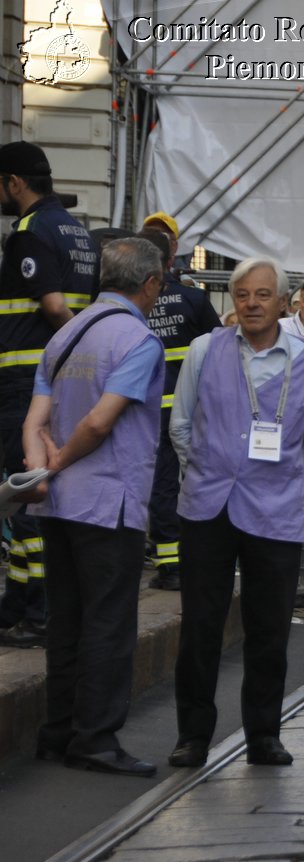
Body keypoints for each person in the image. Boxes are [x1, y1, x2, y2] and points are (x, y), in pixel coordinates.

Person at [166, 257, 304, 768]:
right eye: (242, 295)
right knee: (200, 625)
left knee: (269, 628)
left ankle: (263, 734)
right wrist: (210, 471)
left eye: (263, 295)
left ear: (283, 304)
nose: (252, 304)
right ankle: (193, 734)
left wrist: (281, 486)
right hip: (208, 507)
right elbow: (181, 426)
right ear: (232, 301)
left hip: (275, 513)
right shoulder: (203, 350)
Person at [24, 239, 166, 776]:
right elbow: (99, 423)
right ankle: (97, 741)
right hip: (110, 500)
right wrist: (63, 461)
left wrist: (44, 467)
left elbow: (34, 421)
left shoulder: (64, 334)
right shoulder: (138, 340)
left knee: (67, 621)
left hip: (57, 505)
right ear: (150, 283)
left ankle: (57, 732)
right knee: (108, 623)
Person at [0, 141, 98, 648]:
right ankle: (17, 607)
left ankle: (39, 613)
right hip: (60, 383)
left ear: (15, 183)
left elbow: (56, 306)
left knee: (25, 496)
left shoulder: (30, 231)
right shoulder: (77, 231)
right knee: (30, 498)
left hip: (25, 385)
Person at [139, 227, 221, 592]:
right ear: (171, 259)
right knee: (195, 481)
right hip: (192, 409)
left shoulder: (135, 303)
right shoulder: (195, 300)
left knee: (160, 485)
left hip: (146, 411)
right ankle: (193, 556)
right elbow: (221, 351)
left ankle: (170, 562)